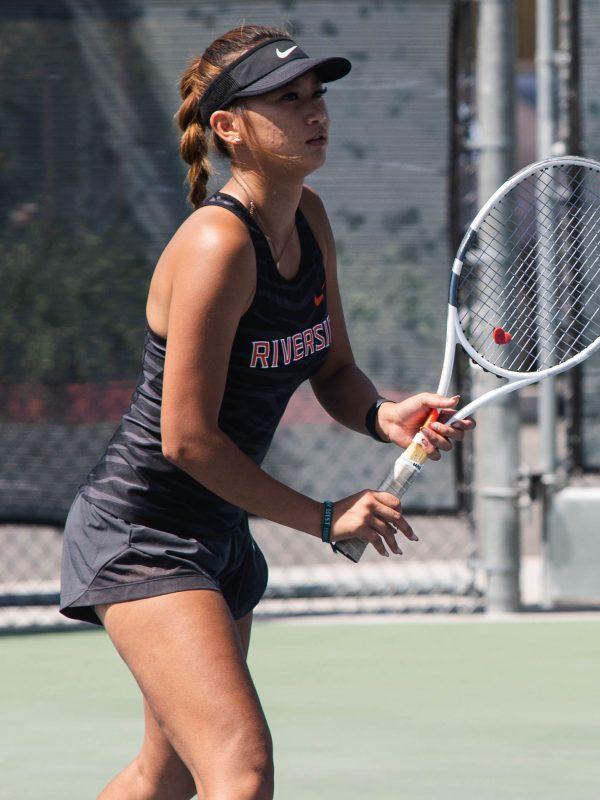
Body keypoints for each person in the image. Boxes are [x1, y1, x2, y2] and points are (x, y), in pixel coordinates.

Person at [58, 25, 472, 798]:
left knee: (166, 776)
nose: (314, 112)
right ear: (228, 127)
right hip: (142, 534)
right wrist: (322, 518)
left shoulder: (307, 218)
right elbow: (186, 440)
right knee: (239, 770)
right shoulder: (217, 244)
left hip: (217, 536)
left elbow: (334, 367)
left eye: (317, 96)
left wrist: (384, 415)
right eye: (287, 100)